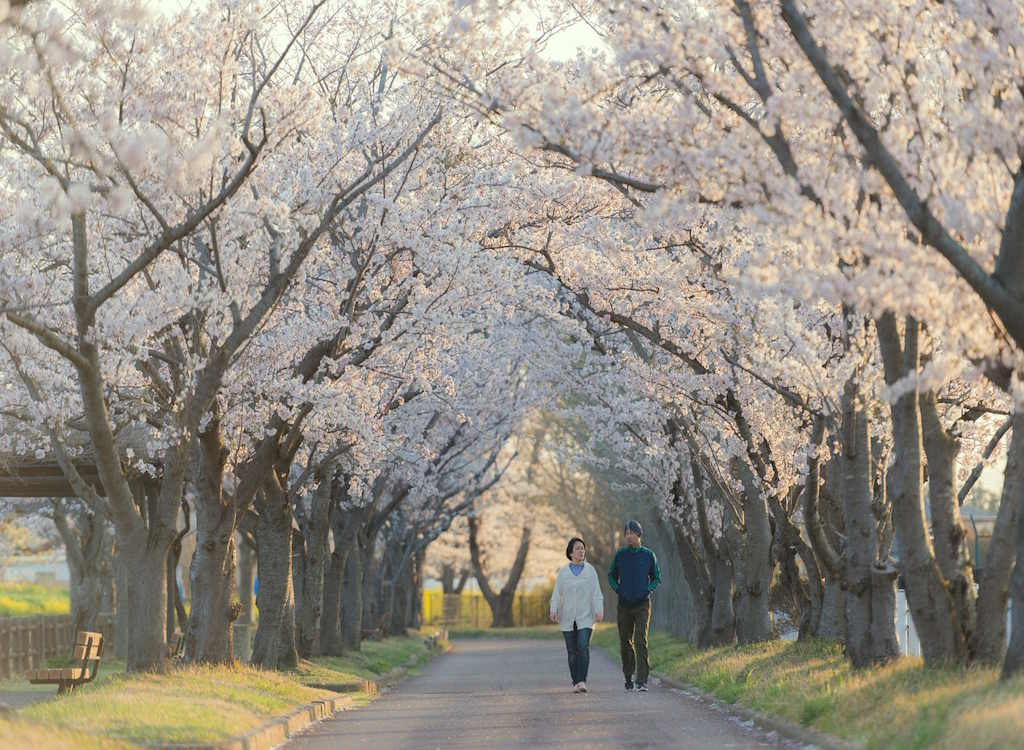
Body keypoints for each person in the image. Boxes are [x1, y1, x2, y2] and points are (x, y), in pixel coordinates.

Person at [608, 520, 661, 692]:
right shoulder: (620, 555)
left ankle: (642, 680)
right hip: (624, 605)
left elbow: (656, 578)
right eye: (626, 533)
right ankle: (628, 676)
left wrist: (647, 590)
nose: (628, 535)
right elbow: (611, 576)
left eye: (632, 532)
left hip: (642, 604)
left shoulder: (648, 555)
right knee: (625, 642)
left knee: (640, 640)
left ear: (639, 534)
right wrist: (619, 590)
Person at [549, 537, 604, 693]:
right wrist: (554, 609)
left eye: (583, 548)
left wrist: (599, 610)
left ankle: (582, 681)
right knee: (572, 652)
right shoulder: (564, 572)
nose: (581, 551)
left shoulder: (590, 571)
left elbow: (596, 593)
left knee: (582, 646)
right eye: (578, 548)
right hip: (567, 617)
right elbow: (557, 594)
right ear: (571, 553)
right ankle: (575, 681)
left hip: (585, 617)